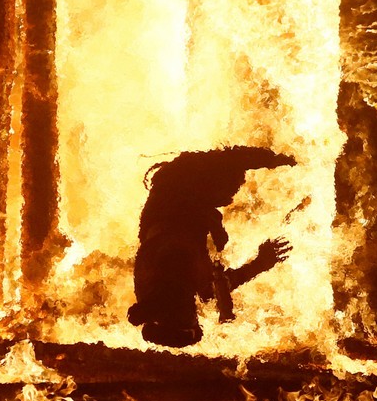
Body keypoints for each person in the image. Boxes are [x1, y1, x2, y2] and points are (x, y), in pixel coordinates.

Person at [127, 145, 296, 347]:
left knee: (230, 164)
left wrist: (278, 160)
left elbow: (199, 279)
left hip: (171, 203)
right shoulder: (173, 293)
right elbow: (215, 287)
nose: (195, 317)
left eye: (191, 322)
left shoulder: (170, 273)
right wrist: (260, 264)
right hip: (175, 208)